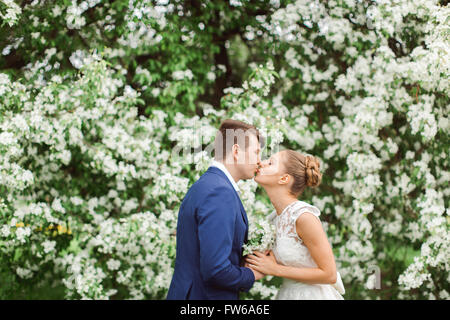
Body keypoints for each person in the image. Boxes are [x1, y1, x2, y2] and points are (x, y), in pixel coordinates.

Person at [167, 119, 265, 300]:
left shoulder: (207, 184)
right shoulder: (219, 192)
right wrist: (252, 274)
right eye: (256, 152)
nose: (259, 161)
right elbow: (216, 269)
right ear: (236, 152)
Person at [245, 149, 345, 299]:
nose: (261, 163)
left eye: (270, 162)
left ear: (284, 179)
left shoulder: (303, 216)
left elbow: (329, 274)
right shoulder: (274, 218)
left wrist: (275, 269)